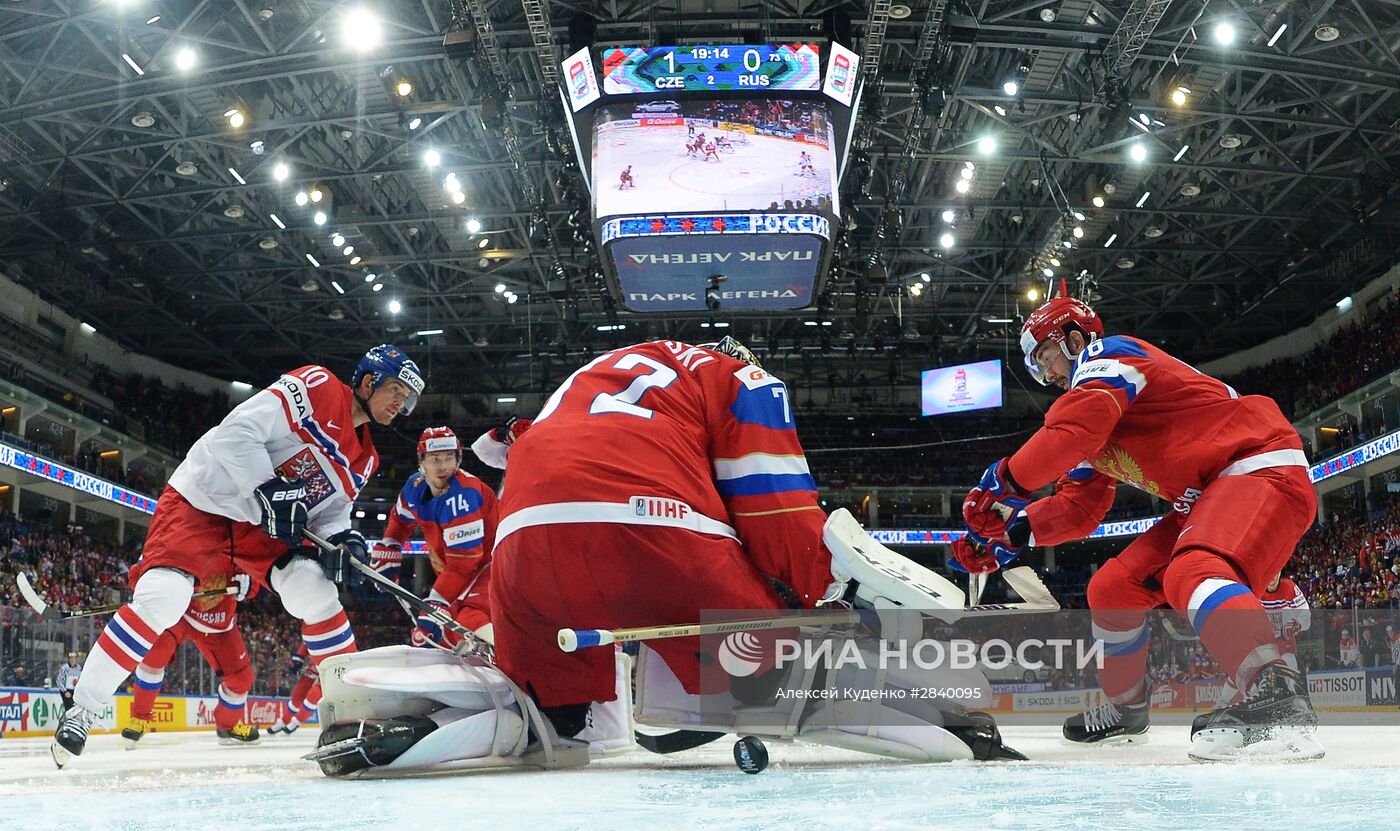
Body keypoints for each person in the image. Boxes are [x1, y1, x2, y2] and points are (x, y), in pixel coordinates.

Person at [951, 297, 1321, 761]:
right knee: (1112, 588)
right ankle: (1127, 709)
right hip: (1211, 494)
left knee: (1194, 570)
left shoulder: (1110, 357)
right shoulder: (1097, 409)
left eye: (1046, 357)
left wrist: (1006, 482)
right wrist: (1010, 536)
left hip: (1257, 467)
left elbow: (1073, 432)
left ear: (1074, 338)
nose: (1046, 375)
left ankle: (1274, 693)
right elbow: (1078, 508)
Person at [50, 345, 424, 767]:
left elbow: (330, 513)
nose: (400, 403)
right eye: (396, 389)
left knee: (315, 592)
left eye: (407, 398)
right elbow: (236, 432)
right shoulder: (318, 385)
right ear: (369, 381)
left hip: (260, 524)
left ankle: (355, 713)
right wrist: (268, 488)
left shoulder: (367, 458)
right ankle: (83, 706)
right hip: (207, 497)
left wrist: (343, 541)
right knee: (164, 597)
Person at [370, 426, 498, 648]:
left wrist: (436, 602)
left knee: (468, 621)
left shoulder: (464, 496)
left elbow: (463, 565)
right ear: (422, 462)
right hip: (459, 574)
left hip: (490, 567)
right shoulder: (415, 486)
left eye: (449, 458)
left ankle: (510, 660)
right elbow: (400, 520)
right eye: (435, 459)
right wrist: (390, 545)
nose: (443, 467)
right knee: (448, 632)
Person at [122, 573, 261, 746]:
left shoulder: (237, 545)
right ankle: (139, 718)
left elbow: (259, 563)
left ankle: (228, 725)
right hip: (180, 613)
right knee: (156, 649)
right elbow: (147, 563)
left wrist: (251, 584)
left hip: (218, 622)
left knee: (241, 678)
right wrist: (148, 587)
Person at [268, 645, 320, 736]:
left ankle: (296, 721)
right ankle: (284, 721)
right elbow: (308, 642)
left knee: (314, 695)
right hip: (314, 669)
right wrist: (299, 657)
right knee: (297, 696)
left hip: (332, 670)